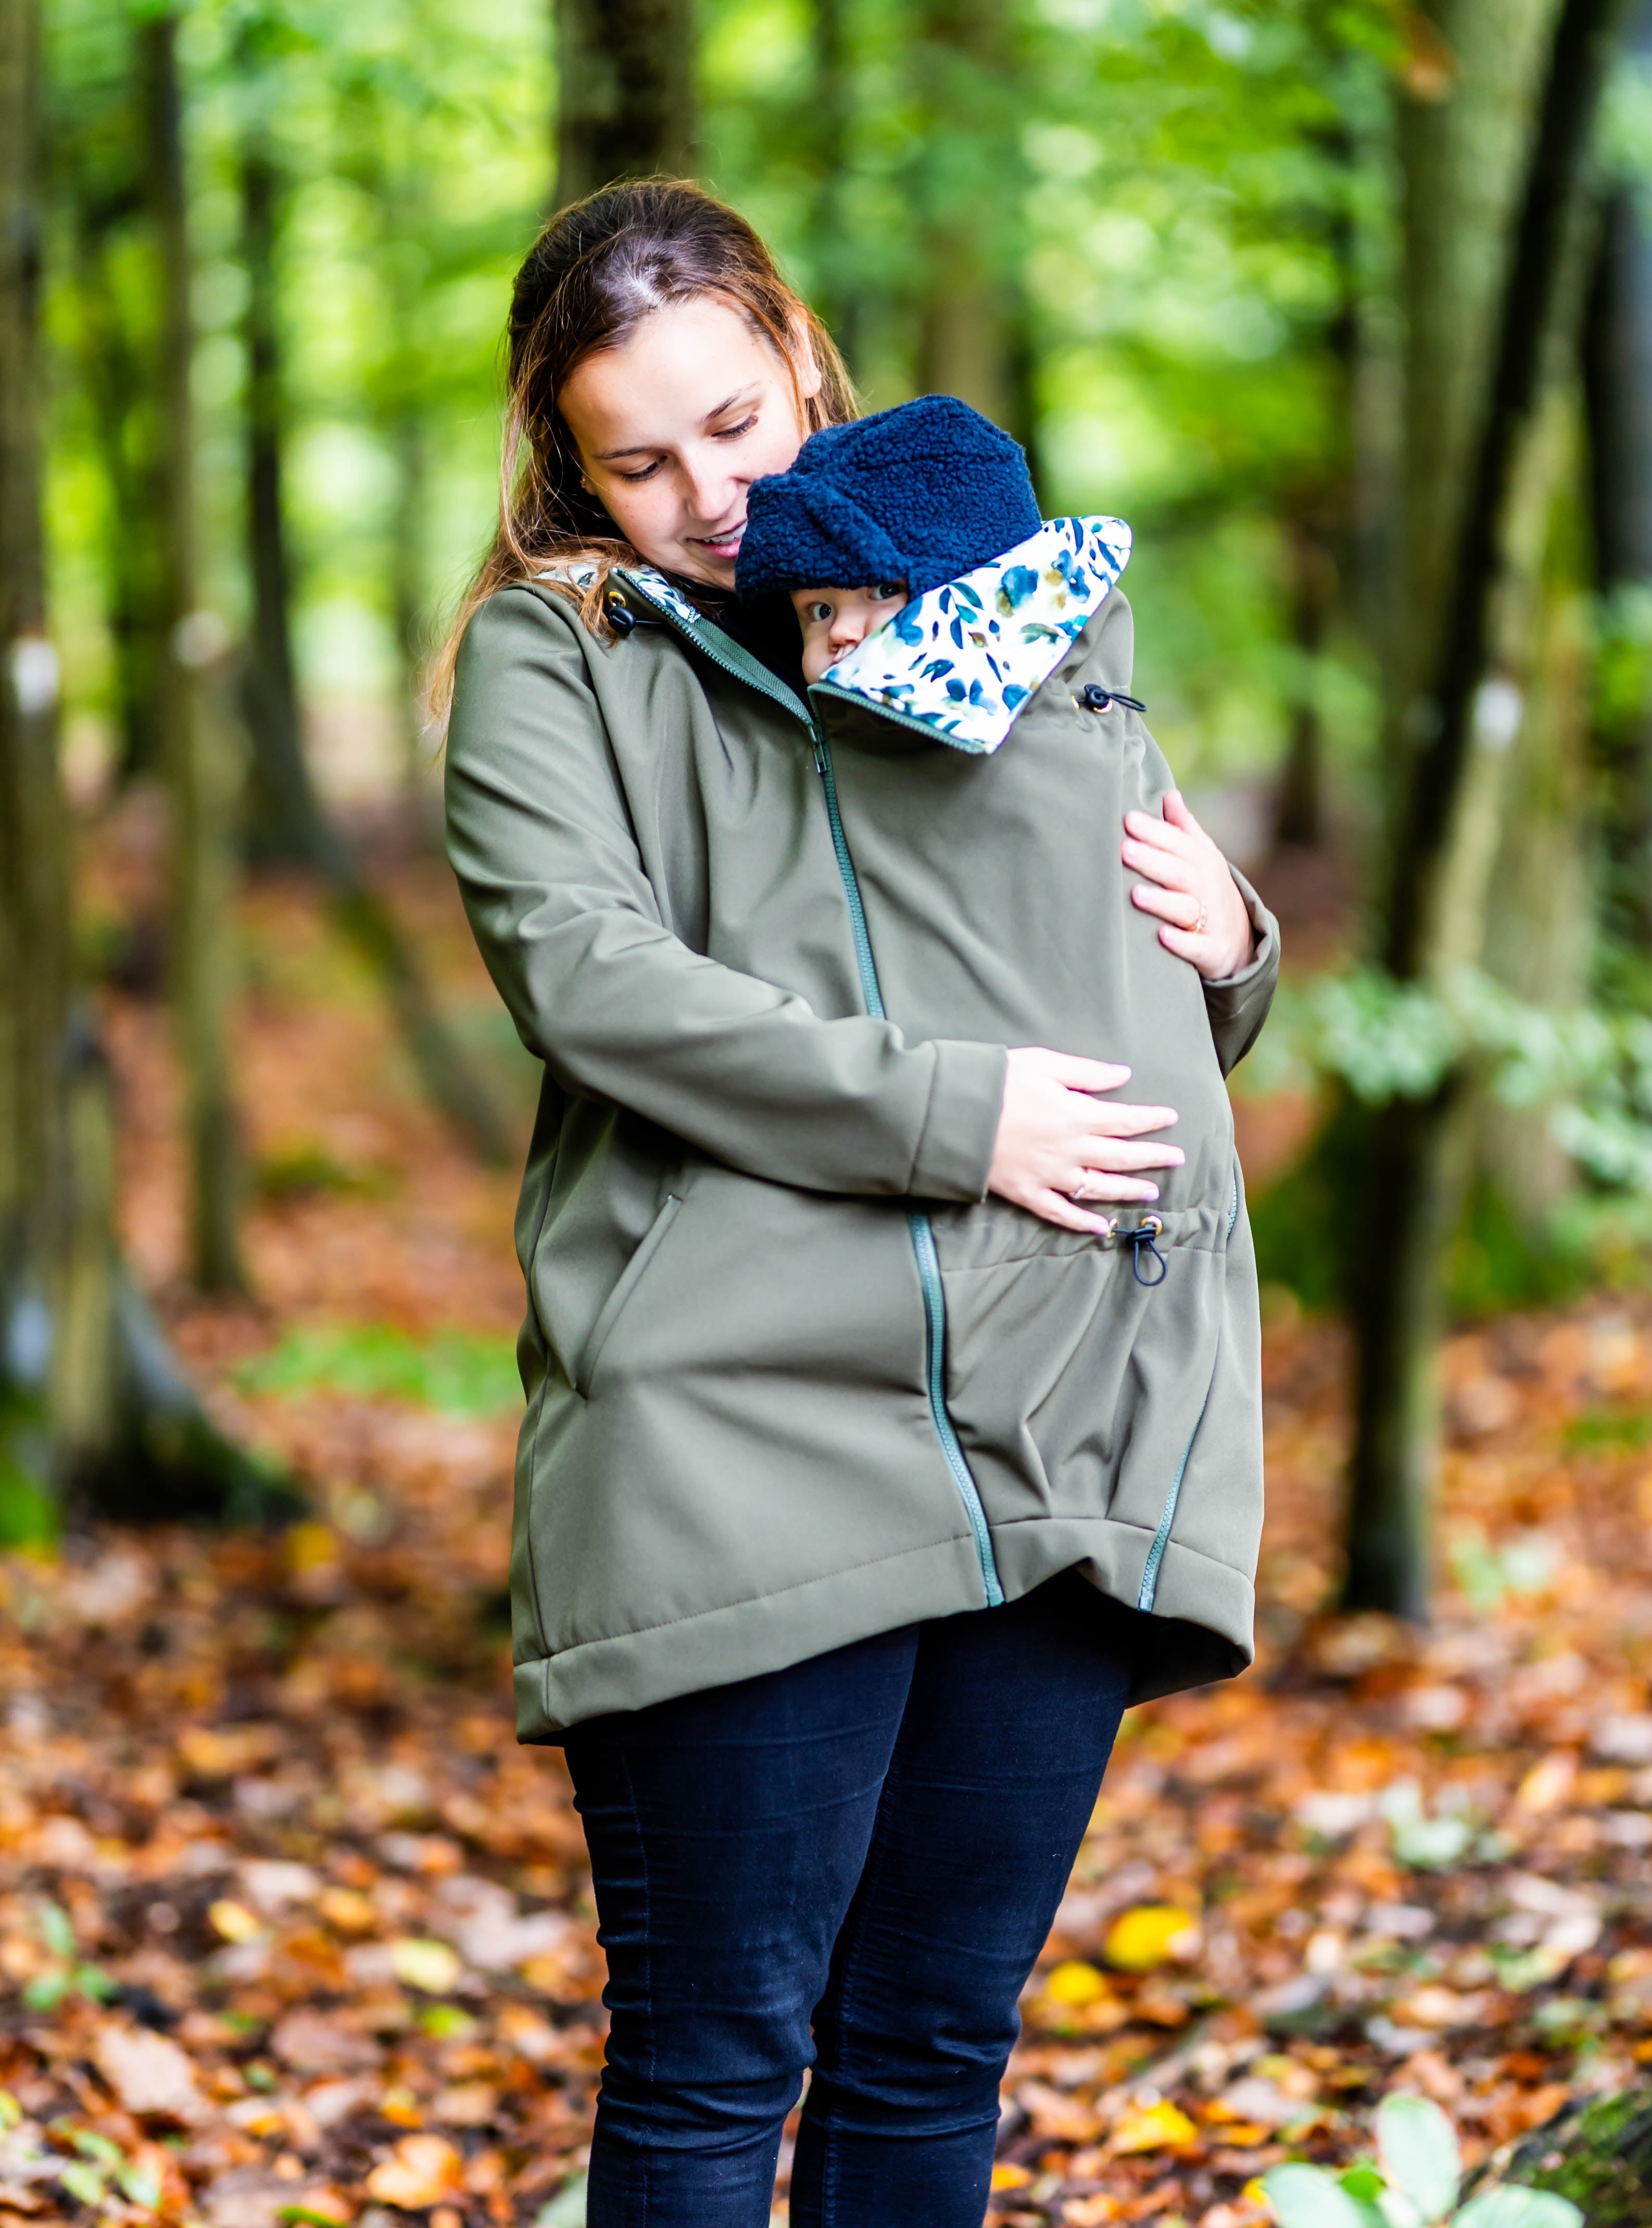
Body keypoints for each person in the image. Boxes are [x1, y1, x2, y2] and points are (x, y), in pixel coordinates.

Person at [441, 179, 1279, 2228]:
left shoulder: (1002, 582)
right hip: (732, 1426)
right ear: (569, 467)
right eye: (636, 462)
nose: (705, 497)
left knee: (931, 2045)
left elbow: (1084, 920)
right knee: (712, 2061)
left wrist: (1232, 941)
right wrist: (949, 1117)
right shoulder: (558, 656)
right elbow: (589, 976)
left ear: (801, 360)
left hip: (1056, 1410)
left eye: (732, 425)